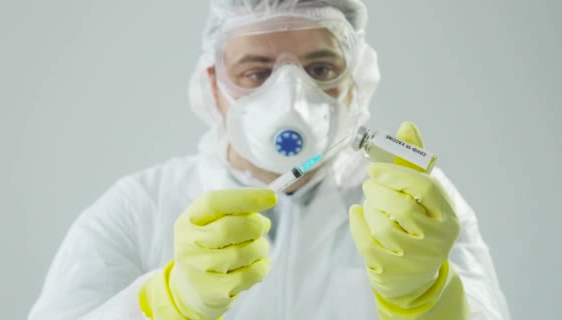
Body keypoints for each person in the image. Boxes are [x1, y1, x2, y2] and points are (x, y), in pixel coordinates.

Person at [29, 1, 510, 319]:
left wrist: (427, 297)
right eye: (257, 72)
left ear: (356, 79)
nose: (291, 96)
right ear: (212, 85)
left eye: (320, 69)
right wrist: (165, 302)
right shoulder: (140, 209)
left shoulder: (417, 210)